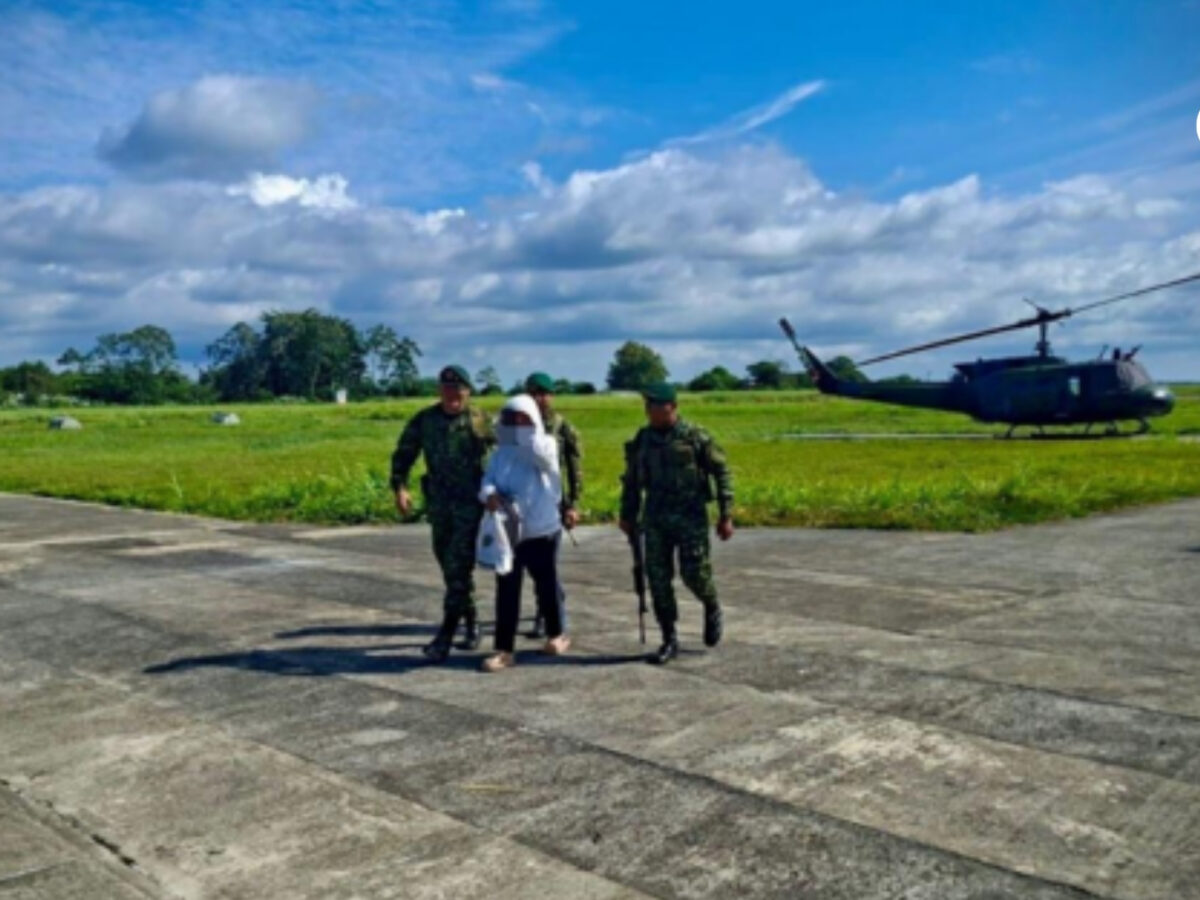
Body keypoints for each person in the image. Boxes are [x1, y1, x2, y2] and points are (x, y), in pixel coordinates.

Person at [618, 382, 734, 664]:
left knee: (694, 574)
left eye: (655, 405)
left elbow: (721, 472)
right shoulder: (643, 439)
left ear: (672, 406)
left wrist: (726, 513)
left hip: (690, 517)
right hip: (655, 518)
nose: (649, 410)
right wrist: (627, 514)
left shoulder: (695, 436)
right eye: (647, 405)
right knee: (658, 580)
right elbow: (631, 480)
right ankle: (669, 639)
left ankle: (711, 604)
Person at [391, 365, 495, 662]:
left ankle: (445, 635)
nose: (453, 396)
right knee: (447, 563)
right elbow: (404, 453)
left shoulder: (481, 421)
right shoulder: (426, 420)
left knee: (458, 565)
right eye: (447, 390)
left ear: (468, 392)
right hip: (440, 506)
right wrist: (400, 487)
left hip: (470, 506)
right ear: (439, 391)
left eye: (458, 390)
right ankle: (472, 619)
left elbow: (504, 456)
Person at [479, 394, 569, 672]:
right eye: (511, 419)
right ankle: (504, 649)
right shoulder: (500, 453)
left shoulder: (547, 445)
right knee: (507, 589)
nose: (516, 425)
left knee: (547, 585)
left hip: (542, 529)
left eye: (523, 418)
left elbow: (541, 457)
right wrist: (489, 496)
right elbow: (486, 481)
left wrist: (527, 431)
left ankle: (557, 634)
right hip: (509, 530)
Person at [523, 372, 582, 639]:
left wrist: (572, 504)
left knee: (546, 564)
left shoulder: (561, 428)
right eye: (533, 393)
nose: (538, 398)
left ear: (551, 396)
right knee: (531, 566)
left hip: (552, 505)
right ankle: (551, 604)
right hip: (524, 505)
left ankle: (546, 615)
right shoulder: (516, 425)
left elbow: (573, 469)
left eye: (543, 393)